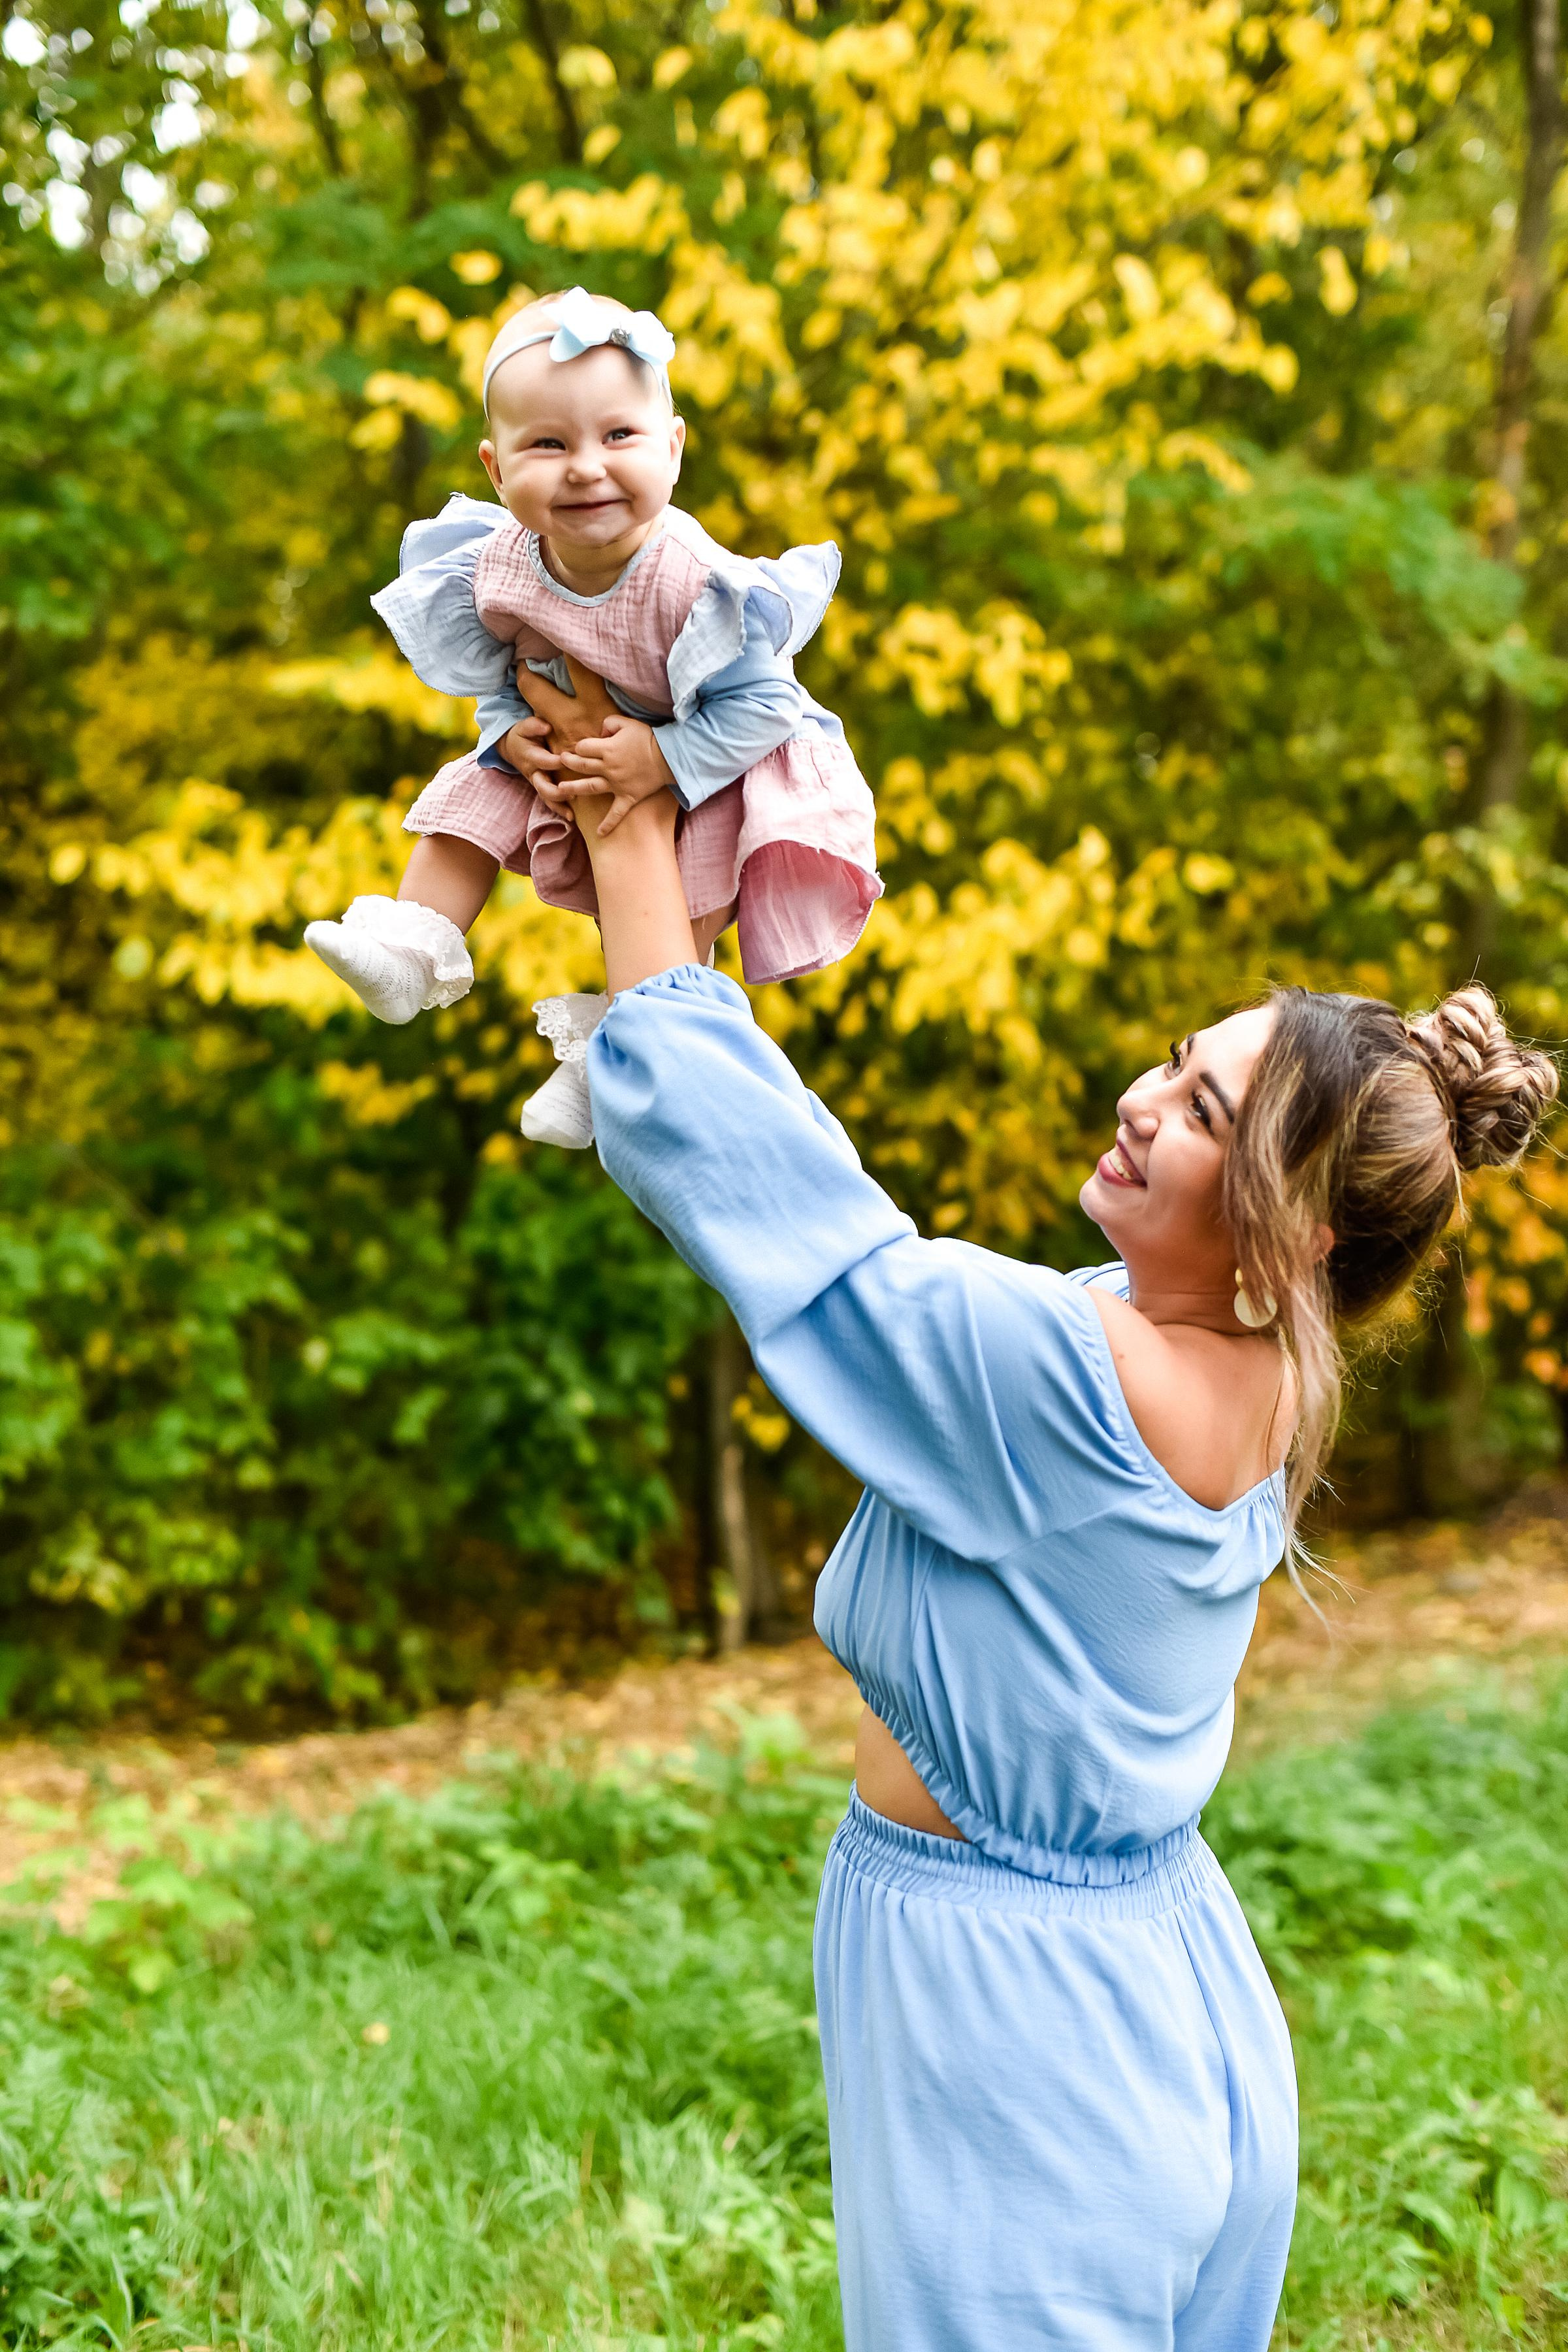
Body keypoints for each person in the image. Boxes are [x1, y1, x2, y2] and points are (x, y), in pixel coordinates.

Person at [519, 693, 1558, 2351]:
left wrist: (638, 839)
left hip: (1027, 2036)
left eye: (1208, 1114)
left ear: (1285, 1241)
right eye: (1177, 1064)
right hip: (1159, 1997)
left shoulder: (1077, 1378)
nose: (1149, 1102)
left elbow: (802, 1224)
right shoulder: (1266, 1372)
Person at [303, 285, 879, 1149]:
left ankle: (609, 1065)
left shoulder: (693, 581)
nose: (585, 465)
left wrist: (662, 758)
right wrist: (506, 730)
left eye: (619, 436)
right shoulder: (498, 565)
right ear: (496, 471)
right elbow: (505, 669)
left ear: (674, 451)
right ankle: (413, 950)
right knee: (472, 797)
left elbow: (769, 705)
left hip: (707, 763)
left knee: (674, 920)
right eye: (548, 443)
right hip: (570, 751)